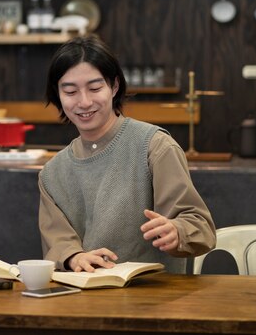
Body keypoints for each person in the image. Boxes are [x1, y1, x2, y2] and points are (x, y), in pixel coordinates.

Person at [39, 35, 216, 273]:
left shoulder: (154, 146)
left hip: (154, 298)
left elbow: (199, 225)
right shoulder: (52, 173)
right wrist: (74, 257)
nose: (84, 101)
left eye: (94, 88)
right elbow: (58, 242)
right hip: (83, 299)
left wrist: (177, 232)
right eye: (70, 92)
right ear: (57, 95)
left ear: (114, 86)